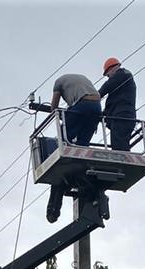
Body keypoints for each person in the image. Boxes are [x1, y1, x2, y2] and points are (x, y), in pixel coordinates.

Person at [45, 73, 102, 222]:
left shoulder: (58, 82)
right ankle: (82, 169)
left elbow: (54, 109)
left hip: (82, 106)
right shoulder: (83, 79)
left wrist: (56, 114)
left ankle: (53, 211)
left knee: (65, 140)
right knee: (83, 146)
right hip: (96, 107)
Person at [99, 57, 137, 151]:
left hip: (122, 116)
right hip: (120, 117)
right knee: (118, 146)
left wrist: (94, 97)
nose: (108, 77)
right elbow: (112, 103)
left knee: (119, 148)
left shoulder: (123, 74)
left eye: (107, 74)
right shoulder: (119, 87)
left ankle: (124, 163)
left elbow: (107, 86)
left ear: (112, 68)